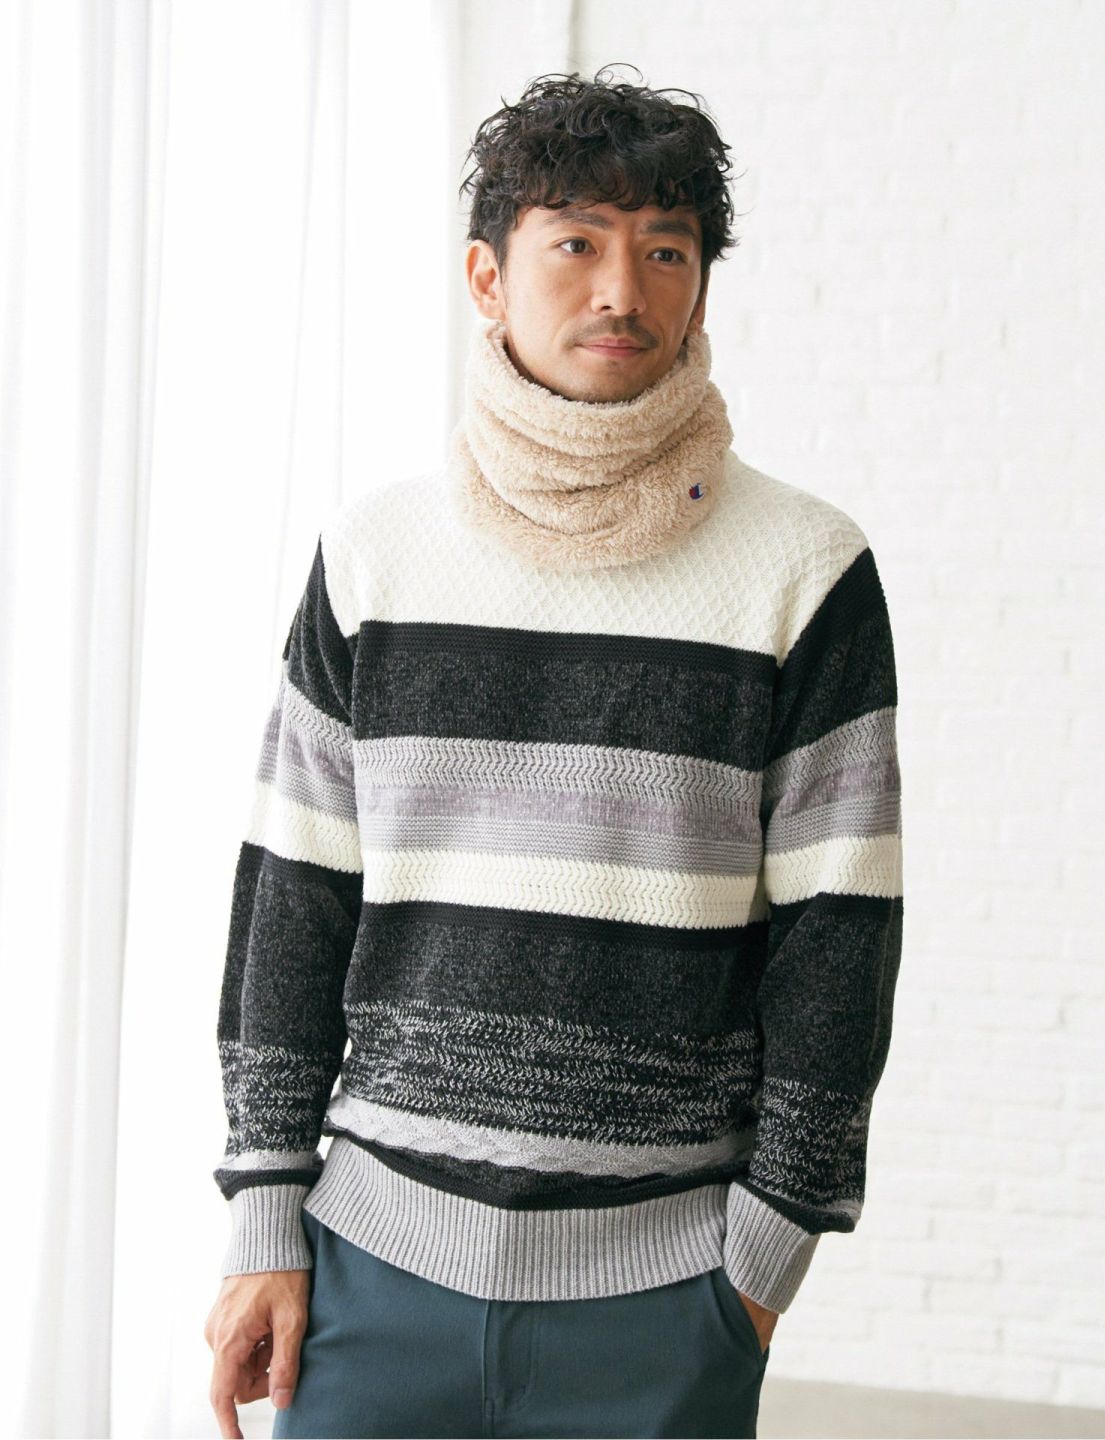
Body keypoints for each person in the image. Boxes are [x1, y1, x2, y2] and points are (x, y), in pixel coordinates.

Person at [204, 62, 903, 1440]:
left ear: (701, 286)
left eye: (665, 251)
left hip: (665, 1299)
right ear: (488, 276)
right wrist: (264, 1215)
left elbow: (842, 932)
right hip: (366, 1273)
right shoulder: (377, 556)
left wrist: (761, 1264)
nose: (620, 291)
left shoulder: (805, 569)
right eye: (576, 242)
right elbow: (293, 892)